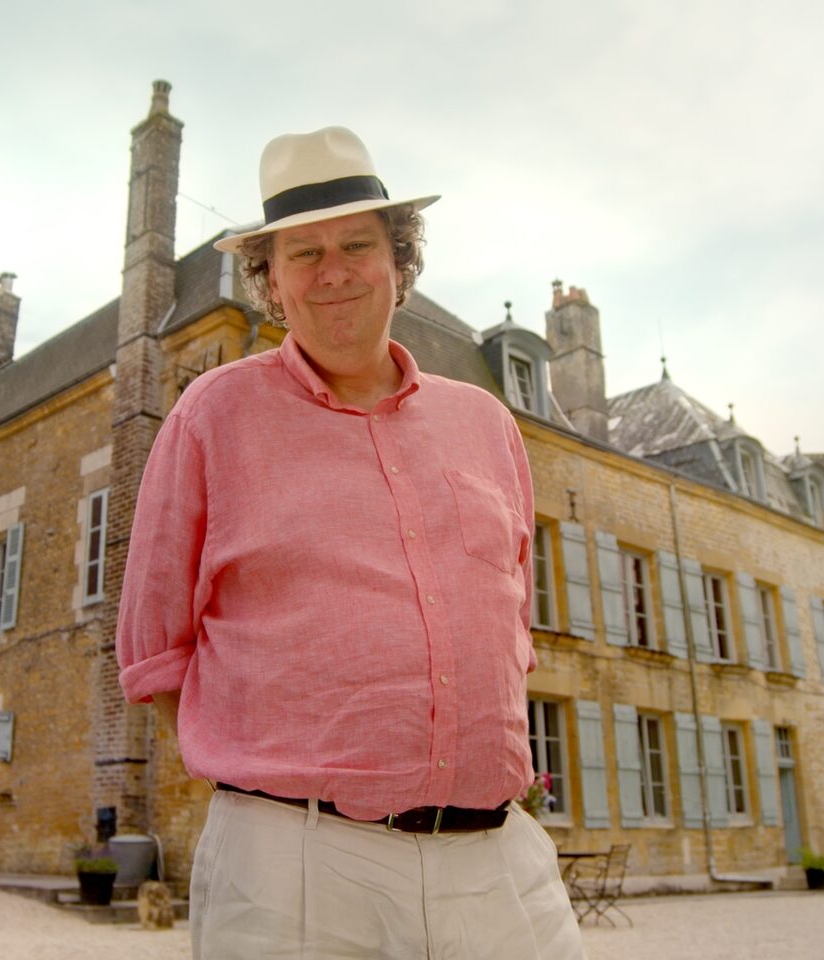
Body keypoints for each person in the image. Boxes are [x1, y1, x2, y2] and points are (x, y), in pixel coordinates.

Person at [116, 126, 581, 959]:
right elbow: (155, 649)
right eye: (304, 253)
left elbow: (512, 626)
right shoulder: (213, 415)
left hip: (498, 863)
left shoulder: (486, 423)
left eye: (357, 245)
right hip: (297, 869)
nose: (333, 272)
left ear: (399, 260)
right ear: (271, 280)